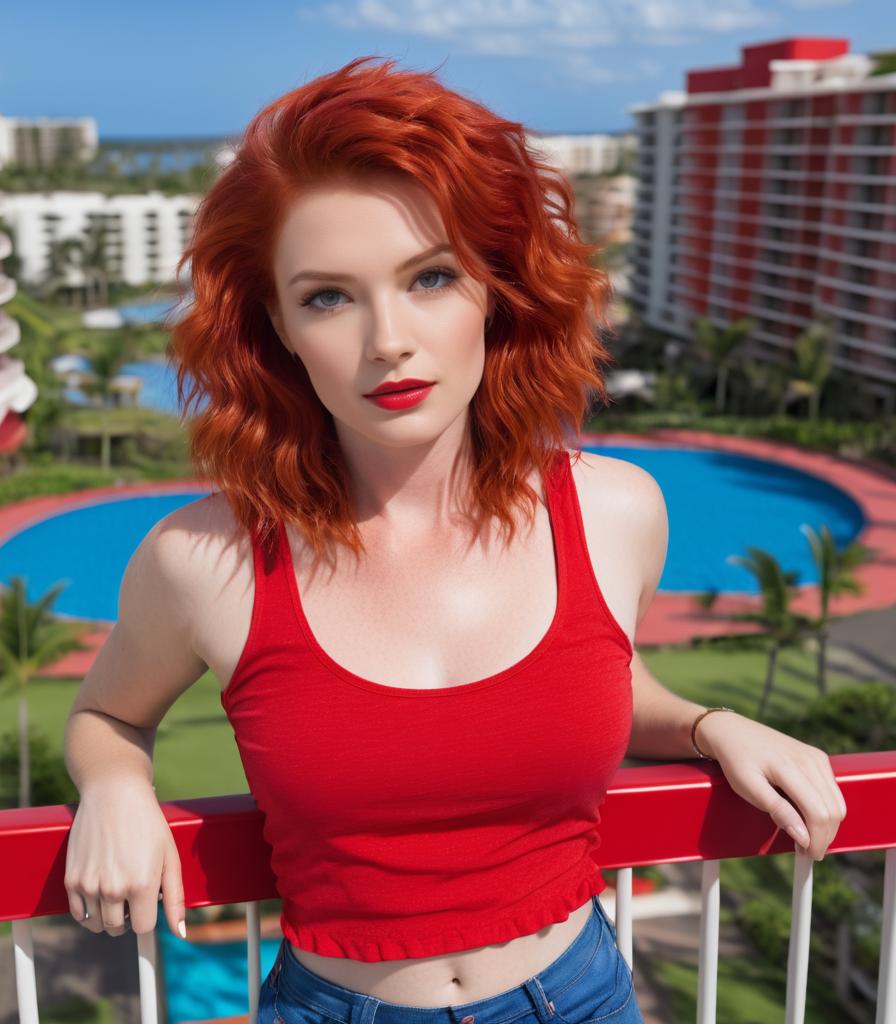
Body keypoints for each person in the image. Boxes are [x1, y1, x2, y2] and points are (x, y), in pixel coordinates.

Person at [63, 56, 846, 1024]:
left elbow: (586, 680)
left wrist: (707, 726)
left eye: (429, 276)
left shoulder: (615, 511)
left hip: (583, 995)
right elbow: (106, 715)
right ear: (277, 327)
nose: (387, 337)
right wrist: (112, 786)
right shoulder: (203, 559)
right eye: (328, 296)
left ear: (495, 289)